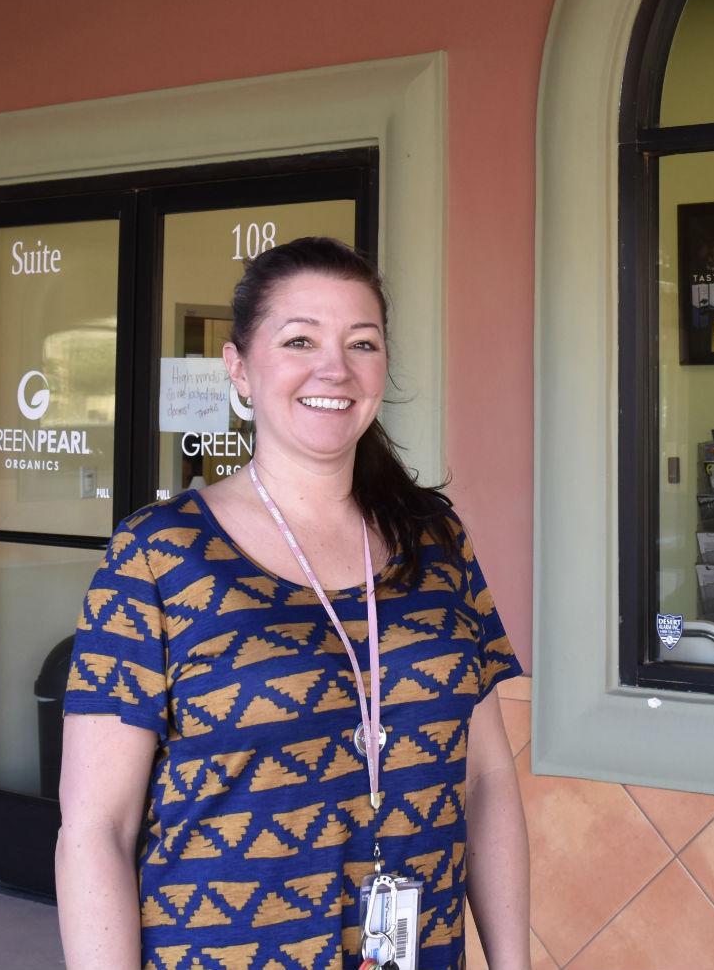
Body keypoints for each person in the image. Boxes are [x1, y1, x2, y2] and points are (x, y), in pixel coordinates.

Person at [55, 237, 529, 970]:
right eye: (300, 338)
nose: (334, 368)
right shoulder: (158, 554)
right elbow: (96, 828)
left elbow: (489, 778)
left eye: (361, 343)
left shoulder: (434, 539)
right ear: (239, 368)